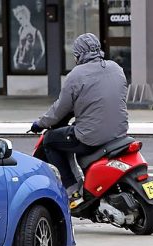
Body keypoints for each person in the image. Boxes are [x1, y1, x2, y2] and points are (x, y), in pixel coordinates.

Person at [31, 33, 128, 204]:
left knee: (50, 141)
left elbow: (59, 109)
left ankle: (72, 190)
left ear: (80, 54)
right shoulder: (116, 68)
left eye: (75, 54)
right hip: (120, 133)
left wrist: (40, 123)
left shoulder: (76, 75)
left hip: (91, 137)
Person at [12, 5, 45, 71]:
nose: (19, 21)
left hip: (29, 66)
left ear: (26, 16)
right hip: (19, 64)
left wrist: (35, 64)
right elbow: (19, 45)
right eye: (18, 19)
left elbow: (42, 50)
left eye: (21, 18)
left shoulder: (36, 32)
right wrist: (15, 57)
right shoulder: (21, 30)